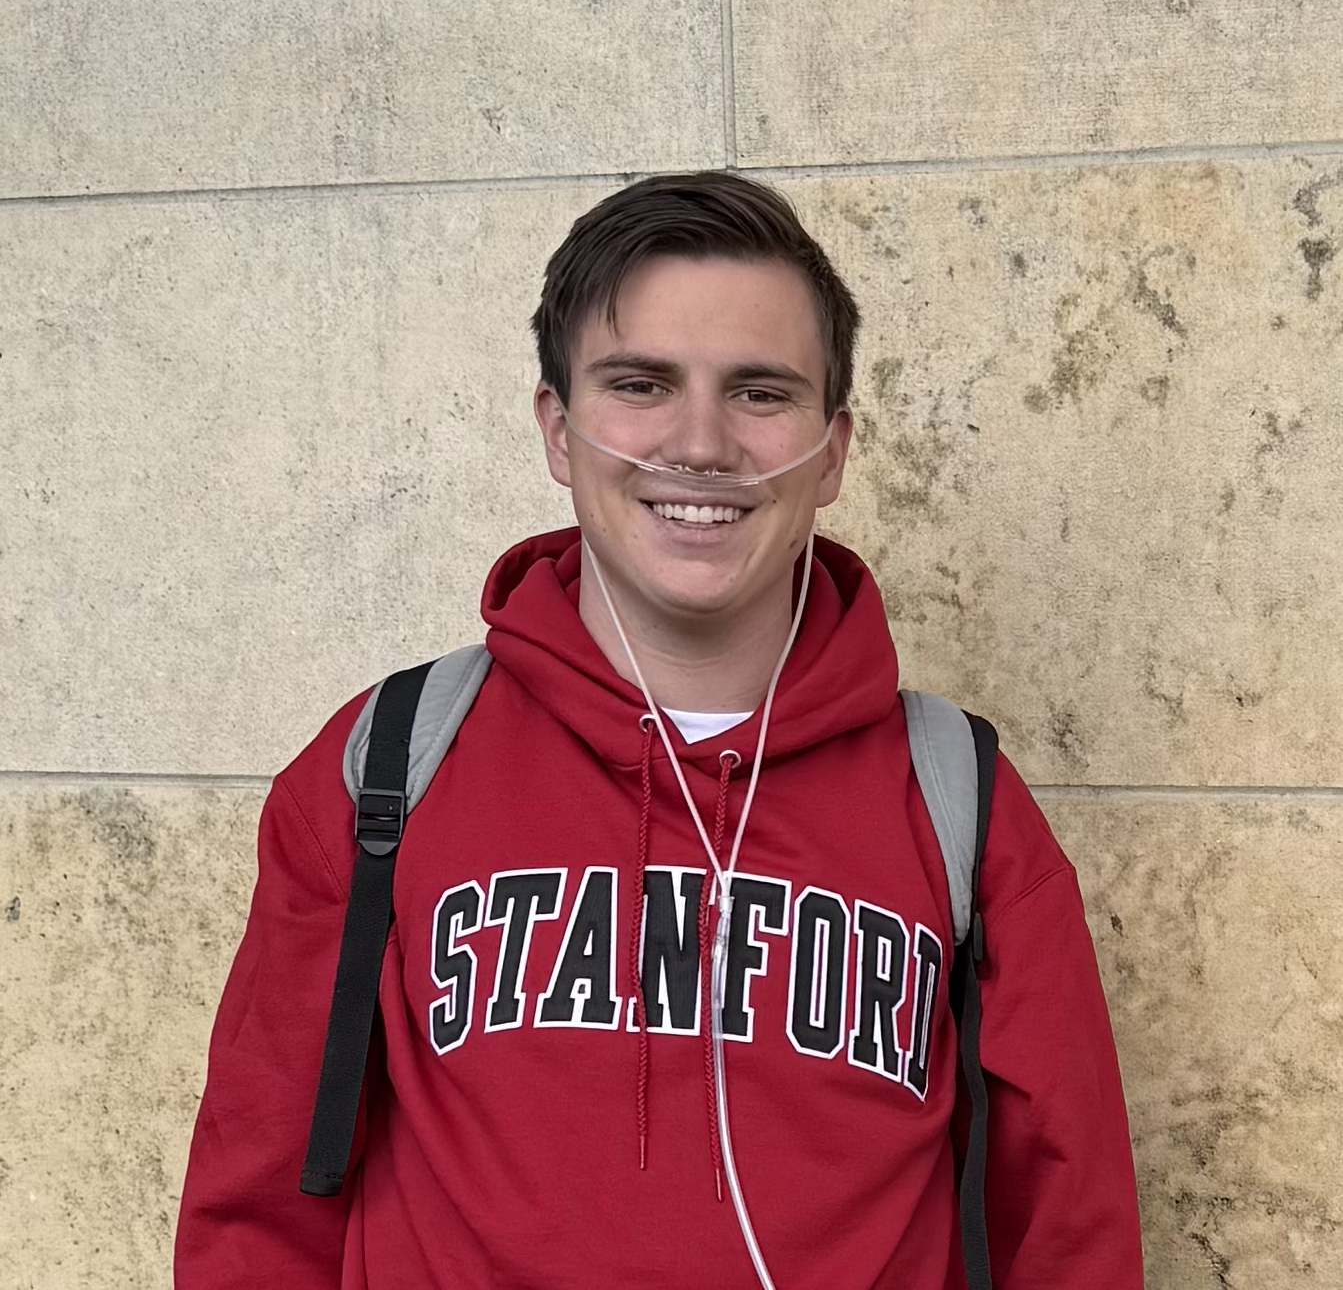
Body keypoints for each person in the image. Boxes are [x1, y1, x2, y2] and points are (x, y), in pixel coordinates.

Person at [176, 171, 1143, 1288]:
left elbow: (1067, 1226)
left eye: (759, 392)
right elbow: (258, 1200)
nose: (699, 442)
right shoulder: (387, 763)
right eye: (640, 384)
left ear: (831, 450)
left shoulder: (958, 798)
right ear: (558, 427)